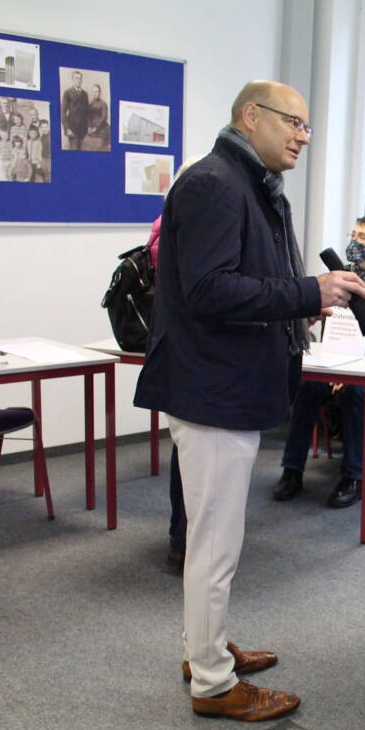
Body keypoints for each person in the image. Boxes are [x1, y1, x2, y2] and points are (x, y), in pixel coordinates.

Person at [133, 79, 365, 721]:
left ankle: (203, 648)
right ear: (249, 116)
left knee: (217, 539)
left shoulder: (247, 183)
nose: (301, 136)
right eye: (292, 122)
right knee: (215, 544)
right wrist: (305, 293)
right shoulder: (215, 183)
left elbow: (248, 280)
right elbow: (210, 291)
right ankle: (212, 683)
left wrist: (307, 294)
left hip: (224, 386)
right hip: (212, 391)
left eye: (307, 127)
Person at [272, 215, 365, 508]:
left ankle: (353, 477)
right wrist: (337, 366)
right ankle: (292, 470)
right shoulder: (338, 279)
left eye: (362, 237)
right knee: (307, 386)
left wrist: (357, 367)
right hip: (339, 364)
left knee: (358, 391)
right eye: (352, 234)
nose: (354, 241)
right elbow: (332, 331)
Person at [144, 154, 204, 575]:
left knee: (185, 454)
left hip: (182, 355)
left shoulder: (164, 231)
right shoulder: (178, 235)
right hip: (192, 357)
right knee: (189, 456)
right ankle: (183, 541)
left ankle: (181, 540)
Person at [61, 70, 89, 150]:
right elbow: (63, 112)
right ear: (73, 79)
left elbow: (87, 112)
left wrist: (88, 127)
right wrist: (67, 128)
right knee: (74, 150)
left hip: (83, 129)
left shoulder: (85, 94)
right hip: (72, 128)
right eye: (76, 78)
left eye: (80, 78)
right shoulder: (67, 92)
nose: (78, 80)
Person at [83, 84, 110, 151]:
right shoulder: (90, 104)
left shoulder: (103, 103)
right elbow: (88, 117)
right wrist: (89, 127)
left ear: (99, 92)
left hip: (101, 128)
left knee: (99, 146)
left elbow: (104, 117)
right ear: (92, 92)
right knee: (85, 143)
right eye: (94, 91)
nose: (95, 93)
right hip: (92, 129)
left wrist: (96, 127)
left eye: (97, 91)